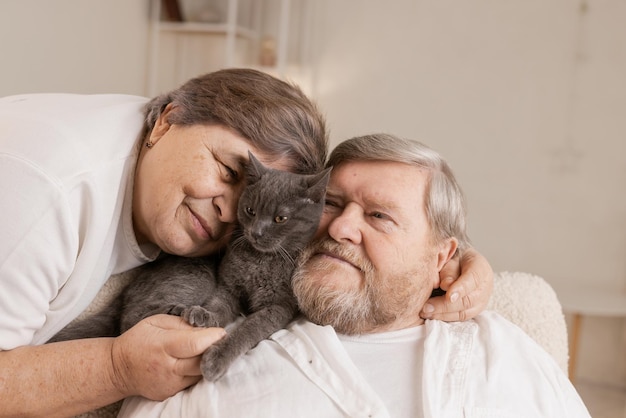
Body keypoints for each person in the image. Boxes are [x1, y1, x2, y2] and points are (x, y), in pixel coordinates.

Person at [0, 71, 492, 418]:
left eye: (249, 193)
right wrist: (117, 367)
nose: (235, 215)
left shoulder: (174, 168)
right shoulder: (44, 192)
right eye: (230, 171)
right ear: (167, 120)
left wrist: (451, 260)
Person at [119, 134, 590, 418]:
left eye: (380, 216)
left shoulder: (505, 354)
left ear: (442, 255)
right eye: (332, 204)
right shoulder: (218, 351)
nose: (342, 228)